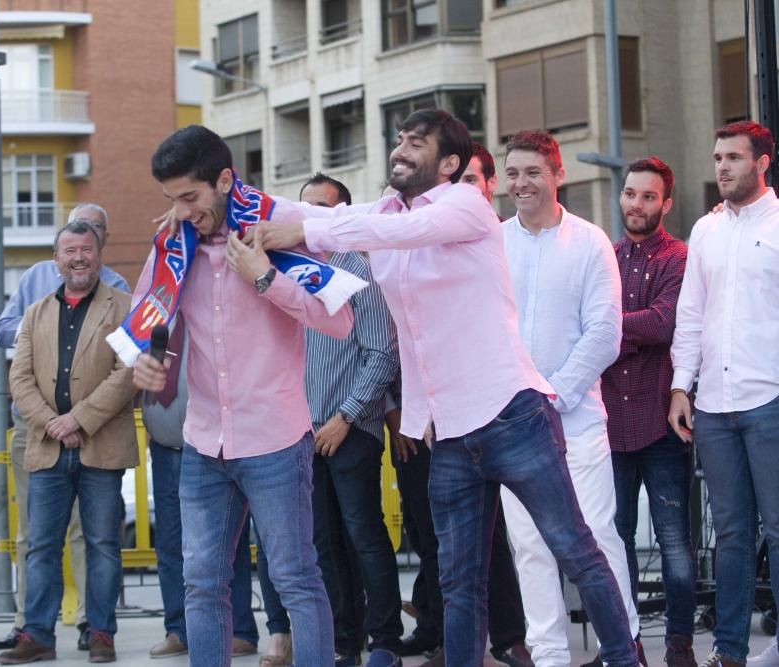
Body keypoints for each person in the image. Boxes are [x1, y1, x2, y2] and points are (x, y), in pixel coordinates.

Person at [255, 108, 640, 667]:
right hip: (451, 433)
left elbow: (387, 231)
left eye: (417, 142)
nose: (401, 149)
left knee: (576, 550)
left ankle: (625, 659)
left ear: (450, 162)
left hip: (513, 416)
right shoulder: (387, 211)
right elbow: (321, 213)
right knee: (459, 583)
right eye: (400, 139)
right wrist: (226, 197)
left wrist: (305, 229)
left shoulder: (466, 205)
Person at [132, 125, 354, 666]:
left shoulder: (277, 232)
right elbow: (144, 321)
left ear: (226, 180)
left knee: (296, 578)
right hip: (204, 442)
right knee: (200, 584)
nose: (181, 212)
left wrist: (264, 279)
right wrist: (145, 359)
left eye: (190, 197)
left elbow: (341, 321)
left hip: (275, 437)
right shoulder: (172, 245)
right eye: (171, 200)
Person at [497, 130, 641, 667]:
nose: (521, 183)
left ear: (558, 175)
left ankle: (621, 650)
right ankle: (550, 656)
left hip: (575, 420)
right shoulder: (495, 242)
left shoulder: (589, 242)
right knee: (531, 548)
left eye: (532, 172)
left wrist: (551, 394)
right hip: (512, 425)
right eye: (512, 173)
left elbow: (604, 333)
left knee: (597, 538)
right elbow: (487, 330)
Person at [392, 143, 532, 667]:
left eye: (472, 182)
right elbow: (398, 333)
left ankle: (510, 636)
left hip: (500, 409)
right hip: (429, 418)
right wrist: (404, 411)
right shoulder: (415, 238)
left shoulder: (496, 239)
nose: (460, 195)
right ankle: (444, 633)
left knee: (498, 537)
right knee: (436, 537)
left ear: (489, 186)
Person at [0, 204, 129, 652]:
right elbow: (20, 378)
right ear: (56, 260)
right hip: (47, 445)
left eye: (86, 249)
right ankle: (37, 633)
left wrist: (79, 419)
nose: (78, 258)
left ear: (99, 253)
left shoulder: (124, 304)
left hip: (100, 444)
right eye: (69, 251)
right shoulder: (33, 314)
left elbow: (128, 372)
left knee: (104, 542)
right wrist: (53, 423)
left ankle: (101, 630)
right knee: (41, 546)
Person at [668, 121, 779, 667]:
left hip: (771, 400)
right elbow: (690, 315)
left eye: (734, 157)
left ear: (762, 163)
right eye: (717, 158)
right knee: (731, 535)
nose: (723, 168)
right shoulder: (705, 231)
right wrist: (679, 386)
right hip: (713, 403)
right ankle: (730, 653)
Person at [300, 172, 402, 666]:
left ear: (341, 214)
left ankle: (385, 641)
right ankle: (344, 643)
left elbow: (382, 354)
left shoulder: (359, 272)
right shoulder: (286, 273)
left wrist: (345, 416)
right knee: (322, 546)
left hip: (351, 429)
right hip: (299, 435)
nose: (310, 217)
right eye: (304, 208)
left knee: (365, 536)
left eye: (322, 207)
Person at [603, 157, 696, 667]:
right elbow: (586, 324)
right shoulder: (605, 255)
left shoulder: (679, 257)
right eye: (629, 193)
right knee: (614, 547)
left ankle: (679, 643)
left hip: (661, 422)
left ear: (665, 202)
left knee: (675, 545)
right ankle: (626, 645)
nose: (635, 204)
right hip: (609, 426)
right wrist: (624, 331)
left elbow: (664, 324)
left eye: (647, 196)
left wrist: (611, 331)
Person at [142, 315, 260, 659]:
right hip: (166, 447)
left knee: (228, 543)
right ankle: (178, 629)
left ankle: (239, 629)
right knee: (169, 543)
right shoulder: (159, 313)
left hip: (215, 447)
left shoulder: (212, 310)